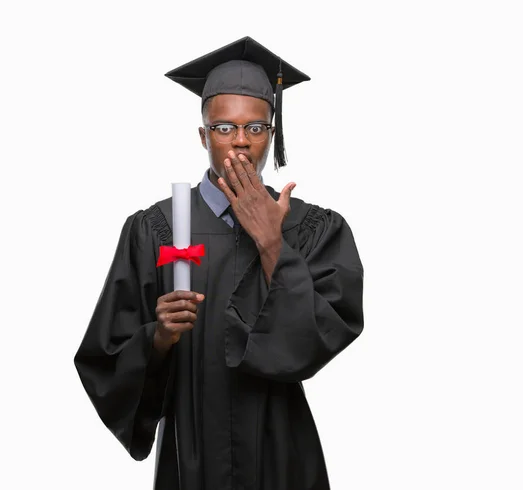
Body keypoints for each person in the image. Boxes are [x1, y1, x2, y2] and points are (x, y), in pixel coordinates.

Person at [74, 36, 364, 490]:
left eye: (256, 128)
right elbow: (103, 357)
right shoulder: (156, 229)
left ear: (272, 134)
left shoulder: (312, 228)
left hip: (282, 451)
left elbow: (322, 336)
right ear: (203, 135)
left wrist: (271, 243)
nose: (241, 143)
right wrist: (159, 338)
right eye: (224, 128)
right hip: (192, 452)